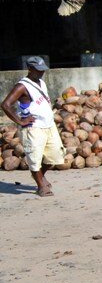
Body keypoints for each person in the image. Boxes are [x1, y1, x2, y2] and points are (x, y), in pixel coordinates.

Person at [2, 57, 65, 196]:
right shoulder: (21, 86)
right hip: (33, 128)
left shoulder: (41, 82)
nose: (41, 73)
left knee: (56, 156)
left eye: (43, 70)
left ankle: (40, 176)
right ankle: (41, 186)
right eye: (38, 70)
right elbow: (5, 104)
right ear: (30, 69)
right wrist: (20, 121)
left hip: (49, 126)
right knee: (34, 158)